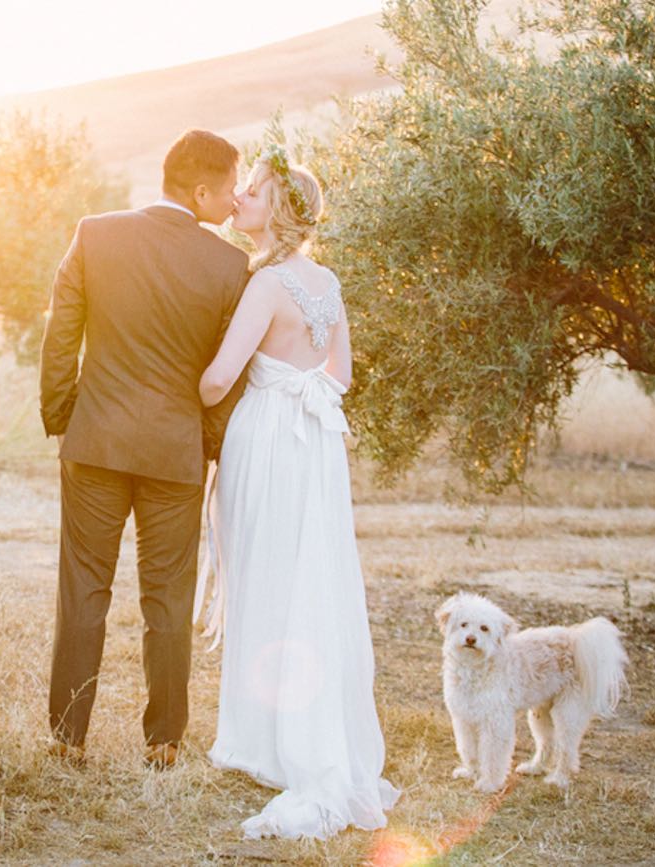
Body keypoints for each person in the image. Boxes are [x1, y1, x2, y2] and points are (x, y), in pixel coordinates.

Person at [196, 143, 400, 839]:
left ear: (277, 208)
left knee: (261, 572)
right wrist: (296, 382)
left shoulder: (266, 285)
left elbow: (220, 377)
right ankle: (298, 730)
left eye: (251, 190)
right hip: (313, 446)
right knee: (308, 574)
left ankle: (260, 740)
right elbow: (337, 375)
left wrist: (182, 394)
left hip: (267, 442)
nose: (241, 198)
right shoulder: (328, 284)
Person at [39, 129, 251, 769]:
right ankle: (164, 740)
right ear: (201, 189)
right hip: (175, 455)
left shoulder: (95, 233)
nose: (237, 200)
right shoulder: (229, 267)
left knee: (83, 589)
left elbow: (60, 335)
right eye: (232, 186)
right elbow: (228, 377)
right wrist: (207, 448)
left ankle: (67, 739)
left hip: (95, 443)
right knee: (168, 598)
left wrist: (64, 418)